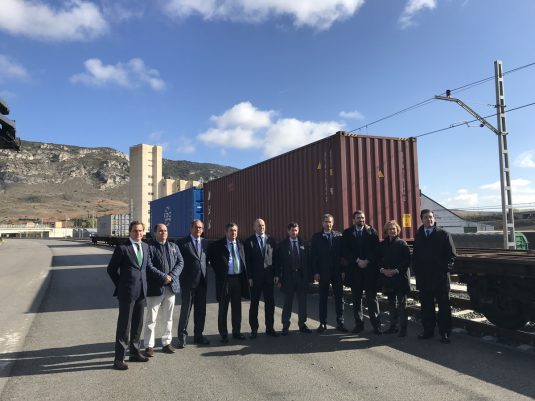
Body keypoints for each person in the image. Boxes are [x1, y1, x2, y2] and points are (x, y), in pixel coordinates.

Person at [107, 221, 153, 370]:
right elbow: (111, 270)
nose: (138, 233)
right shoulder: (122, 248)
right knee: (124, 326)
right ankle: (119, 359)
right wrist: (121, 285)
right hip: (127, 292)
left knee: (138, 324)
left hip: (141, 292)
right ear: (130, 232)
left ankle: (134, 352)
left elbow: (145, 269)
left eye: (140, 231)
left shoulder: (146, 247)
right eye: (135, 231)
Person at [412, 209, 456, 343]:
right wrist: (417, 272)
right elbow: (416, 256)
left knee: (443, 307)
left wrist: (443, 270)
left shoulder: (443, 234)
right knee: (426, 307)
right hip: (424, 278)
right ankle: (428, 331)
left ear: (434, 218)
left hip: (440, 278)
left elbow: (452, 256)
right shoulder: (419, 235)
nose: (429, 219)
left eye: (431, 217)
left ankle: (445, 333)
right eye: (426, 217)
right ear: (421, 219)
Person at [143, 224, 183, 356]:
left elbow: (180, 262)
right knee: (151, 318)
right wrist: (163, 277)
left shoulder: (174, 247)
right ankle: (149, 346)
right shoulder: (149, 247)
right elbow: (148, 266)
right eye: (160, 230)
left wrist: (171, 276)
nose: (163, 232)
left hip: (171, 288)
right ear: (155, 233)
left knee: (168, 318)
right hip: (155, 288)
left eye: (165, 230)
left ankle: (166, 343)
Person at [207, 222, 250, 343]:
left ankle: (236, 332)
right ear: (226, 232)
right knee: (223, 308)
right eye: (231, 231)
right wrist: (220, 272)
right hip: (225, 280)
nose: (234, 233)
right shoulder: (218, 245)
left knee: (237, 307)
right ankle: (224, 334)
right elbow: (212, 260)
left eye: (235, 230)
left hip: (238, 279)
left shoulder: (241, 243)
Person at [341, 210, 382, 335]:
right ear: (354, 220)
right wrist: (358, 260)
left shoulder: (372, 232)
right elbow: (345, 251)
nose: (361, 220)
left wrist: (367, 261)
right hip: (355, 271)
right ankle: (359, 325)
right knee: (356, 300)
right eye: (358, 218)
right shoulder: (347, 233)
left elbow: (376, 250)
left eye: (363, 217)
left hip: (369, 271)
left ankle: (376, 325)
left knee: (372, 299)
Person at [176, 220, 210, 347]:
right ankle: (182, 337)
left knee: (201, 311)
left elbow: (206, 261)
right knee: (186, 310)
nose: (198, 229)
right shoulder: (182, 243)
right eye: (196, 227)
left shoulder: (206, 243)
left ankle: (198, 335)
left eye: (200, 227)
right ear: (191, 228)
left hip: (202, 282)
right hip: (188, 283)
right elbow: (178, 262)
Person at [311, 214, 347, 333]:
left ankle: (340, 323)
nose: (328, 224)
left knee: (339, 299)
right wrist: (315, 272)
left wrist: (342, 271)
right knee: (323, 299)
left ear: (333, 223)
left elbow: (342, 256)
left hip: (336, 273)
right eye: (326, 222)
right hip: (323, 273)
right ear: (322, 223)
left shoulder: (338, 236)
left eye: (330, 222)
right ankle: (322, 323)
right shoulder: (316, 237)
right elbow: (314, 256)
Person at [274, 222, 311, 335]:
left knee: (302, 302)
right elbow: (277, 262)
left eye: (296, 230)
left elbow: (308, 262)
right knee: (287, 303)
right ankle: (285, 325)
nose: (294, 232)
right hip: (288, 278)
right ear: (288, 231)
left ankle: (302, 324)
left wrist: (309, 278)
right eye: (292, 230)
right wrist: (278, 278)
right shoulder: (282, 245)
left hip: (301, 277)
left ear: (298, 230)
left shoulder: (303, 243)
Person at [244, 218, 279, 338]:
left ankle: (270, 328)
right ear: (254, 227)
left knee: (270, 304)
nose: (261, 227)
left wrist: (276, 275)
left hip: (269, 278)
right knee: (254, 304)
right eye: (259, 226)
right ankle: (254, 329)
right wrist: (249, 277)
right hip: (255, 279)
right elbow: (247, 261)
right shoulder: (249, 241)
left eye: (263, 225)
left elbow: (275, 259)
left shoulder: (271, 240)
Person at [379, 220, 411, 337]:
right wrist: (383, 270)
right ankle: (393, 326)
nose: (392, 231)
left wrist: (396, 270)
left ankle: (403, 329)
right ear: (386, 231)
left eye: (394, 229)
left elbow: (407, 260)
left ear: (397, 230)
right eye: (390, 229)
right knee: (391, 303)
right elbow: (378, 260)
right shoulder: (382, 244)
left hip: (400, 278)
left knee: (402, 304)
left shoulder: (402, 243)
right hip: (388, 278)